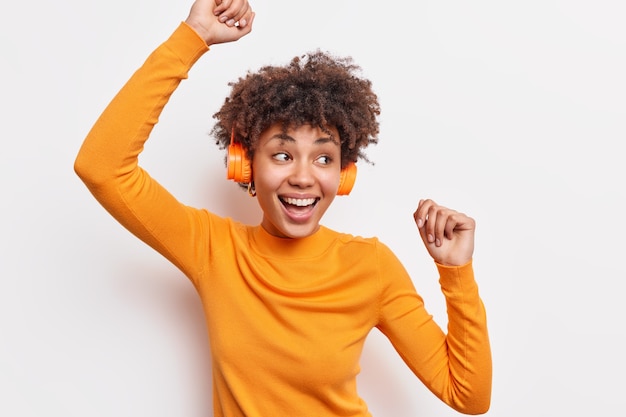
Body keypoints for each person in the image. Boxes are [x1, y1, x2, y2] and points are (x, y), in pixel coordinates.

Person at [74, 0, 492, 415]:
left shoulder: (372, 267)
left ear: (344, 174)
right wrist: (193, 37)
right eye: (282, 155)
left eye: (324, 158)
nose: (304, 178)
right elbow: (102, 168)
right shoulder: (213, 249)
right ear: (245, 164)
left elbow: (467, 395)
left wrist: (457, 274)